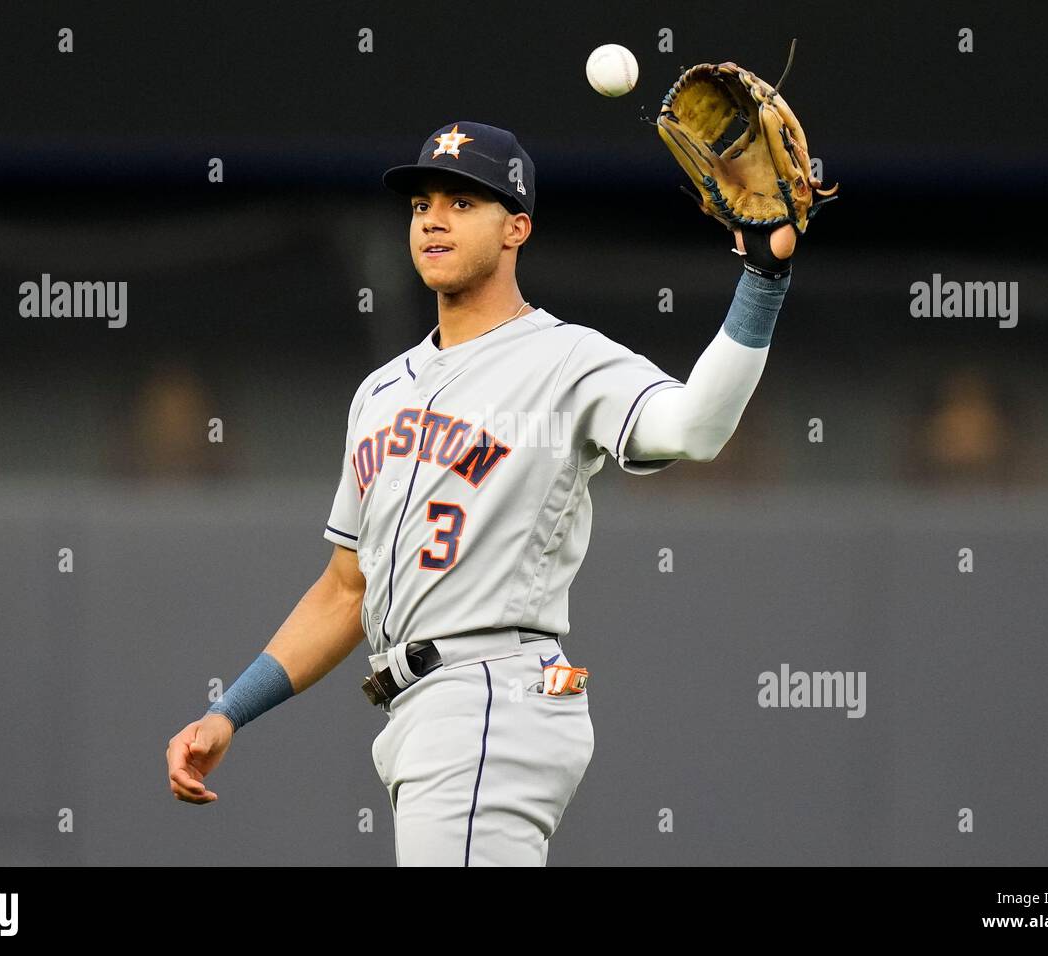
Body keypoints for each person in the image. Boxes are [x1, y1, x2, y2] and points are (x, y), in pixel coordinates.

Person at [166, 121, 796, 865]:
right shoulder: (379, 392)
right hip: (422, 709)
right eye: (421, 202)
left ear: (516, 228)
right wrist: (230, 711)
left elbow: (694, 429)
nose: (433, 217)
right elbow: (345, 592)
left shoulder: (567, 359)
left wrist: (763, 280)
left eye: (464, 202)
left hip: (493, 691)